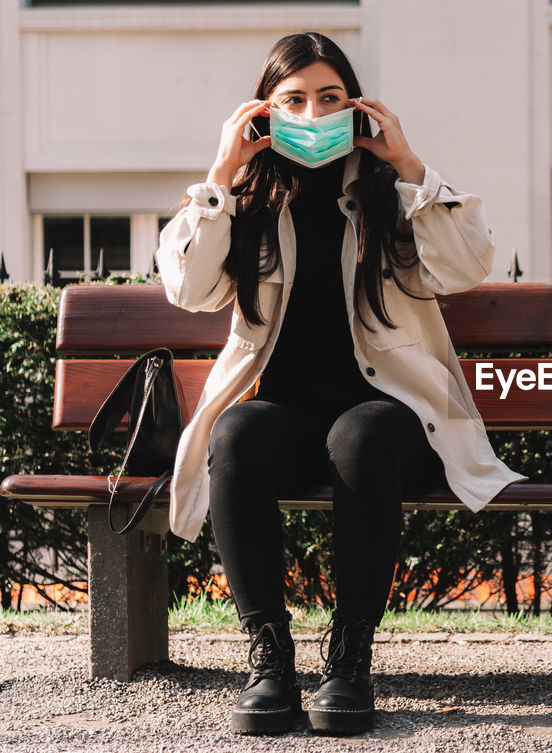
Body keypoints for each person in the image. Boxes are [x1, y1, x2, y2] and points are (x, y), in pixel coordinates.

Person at [155, 32, 525, 736]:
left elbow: (466, 266)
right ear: (263, 112)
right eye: (293, 99)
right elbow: (189, 289)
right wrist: (220, 175)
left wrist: (411, 165)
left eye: (329, 97)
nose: (312, 112)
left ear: (356, 108)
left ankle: (350, 657)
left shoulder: (389, 195)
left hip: (388, 416)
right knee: (237, 430)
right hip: (284, 414)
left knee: (361, 434)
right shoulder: (248, 200)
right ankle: (269, 657)